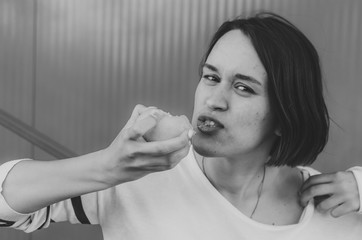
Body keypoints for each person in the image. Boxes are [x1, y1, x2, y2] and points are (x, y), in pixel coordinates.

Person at [0, 12, 362, 240]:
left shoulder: (336, 213)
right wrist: (106, 168)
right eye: (210, 76)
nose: (213, 99)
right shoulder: (137, 177)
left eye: (243, 87)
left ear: (286, 116)